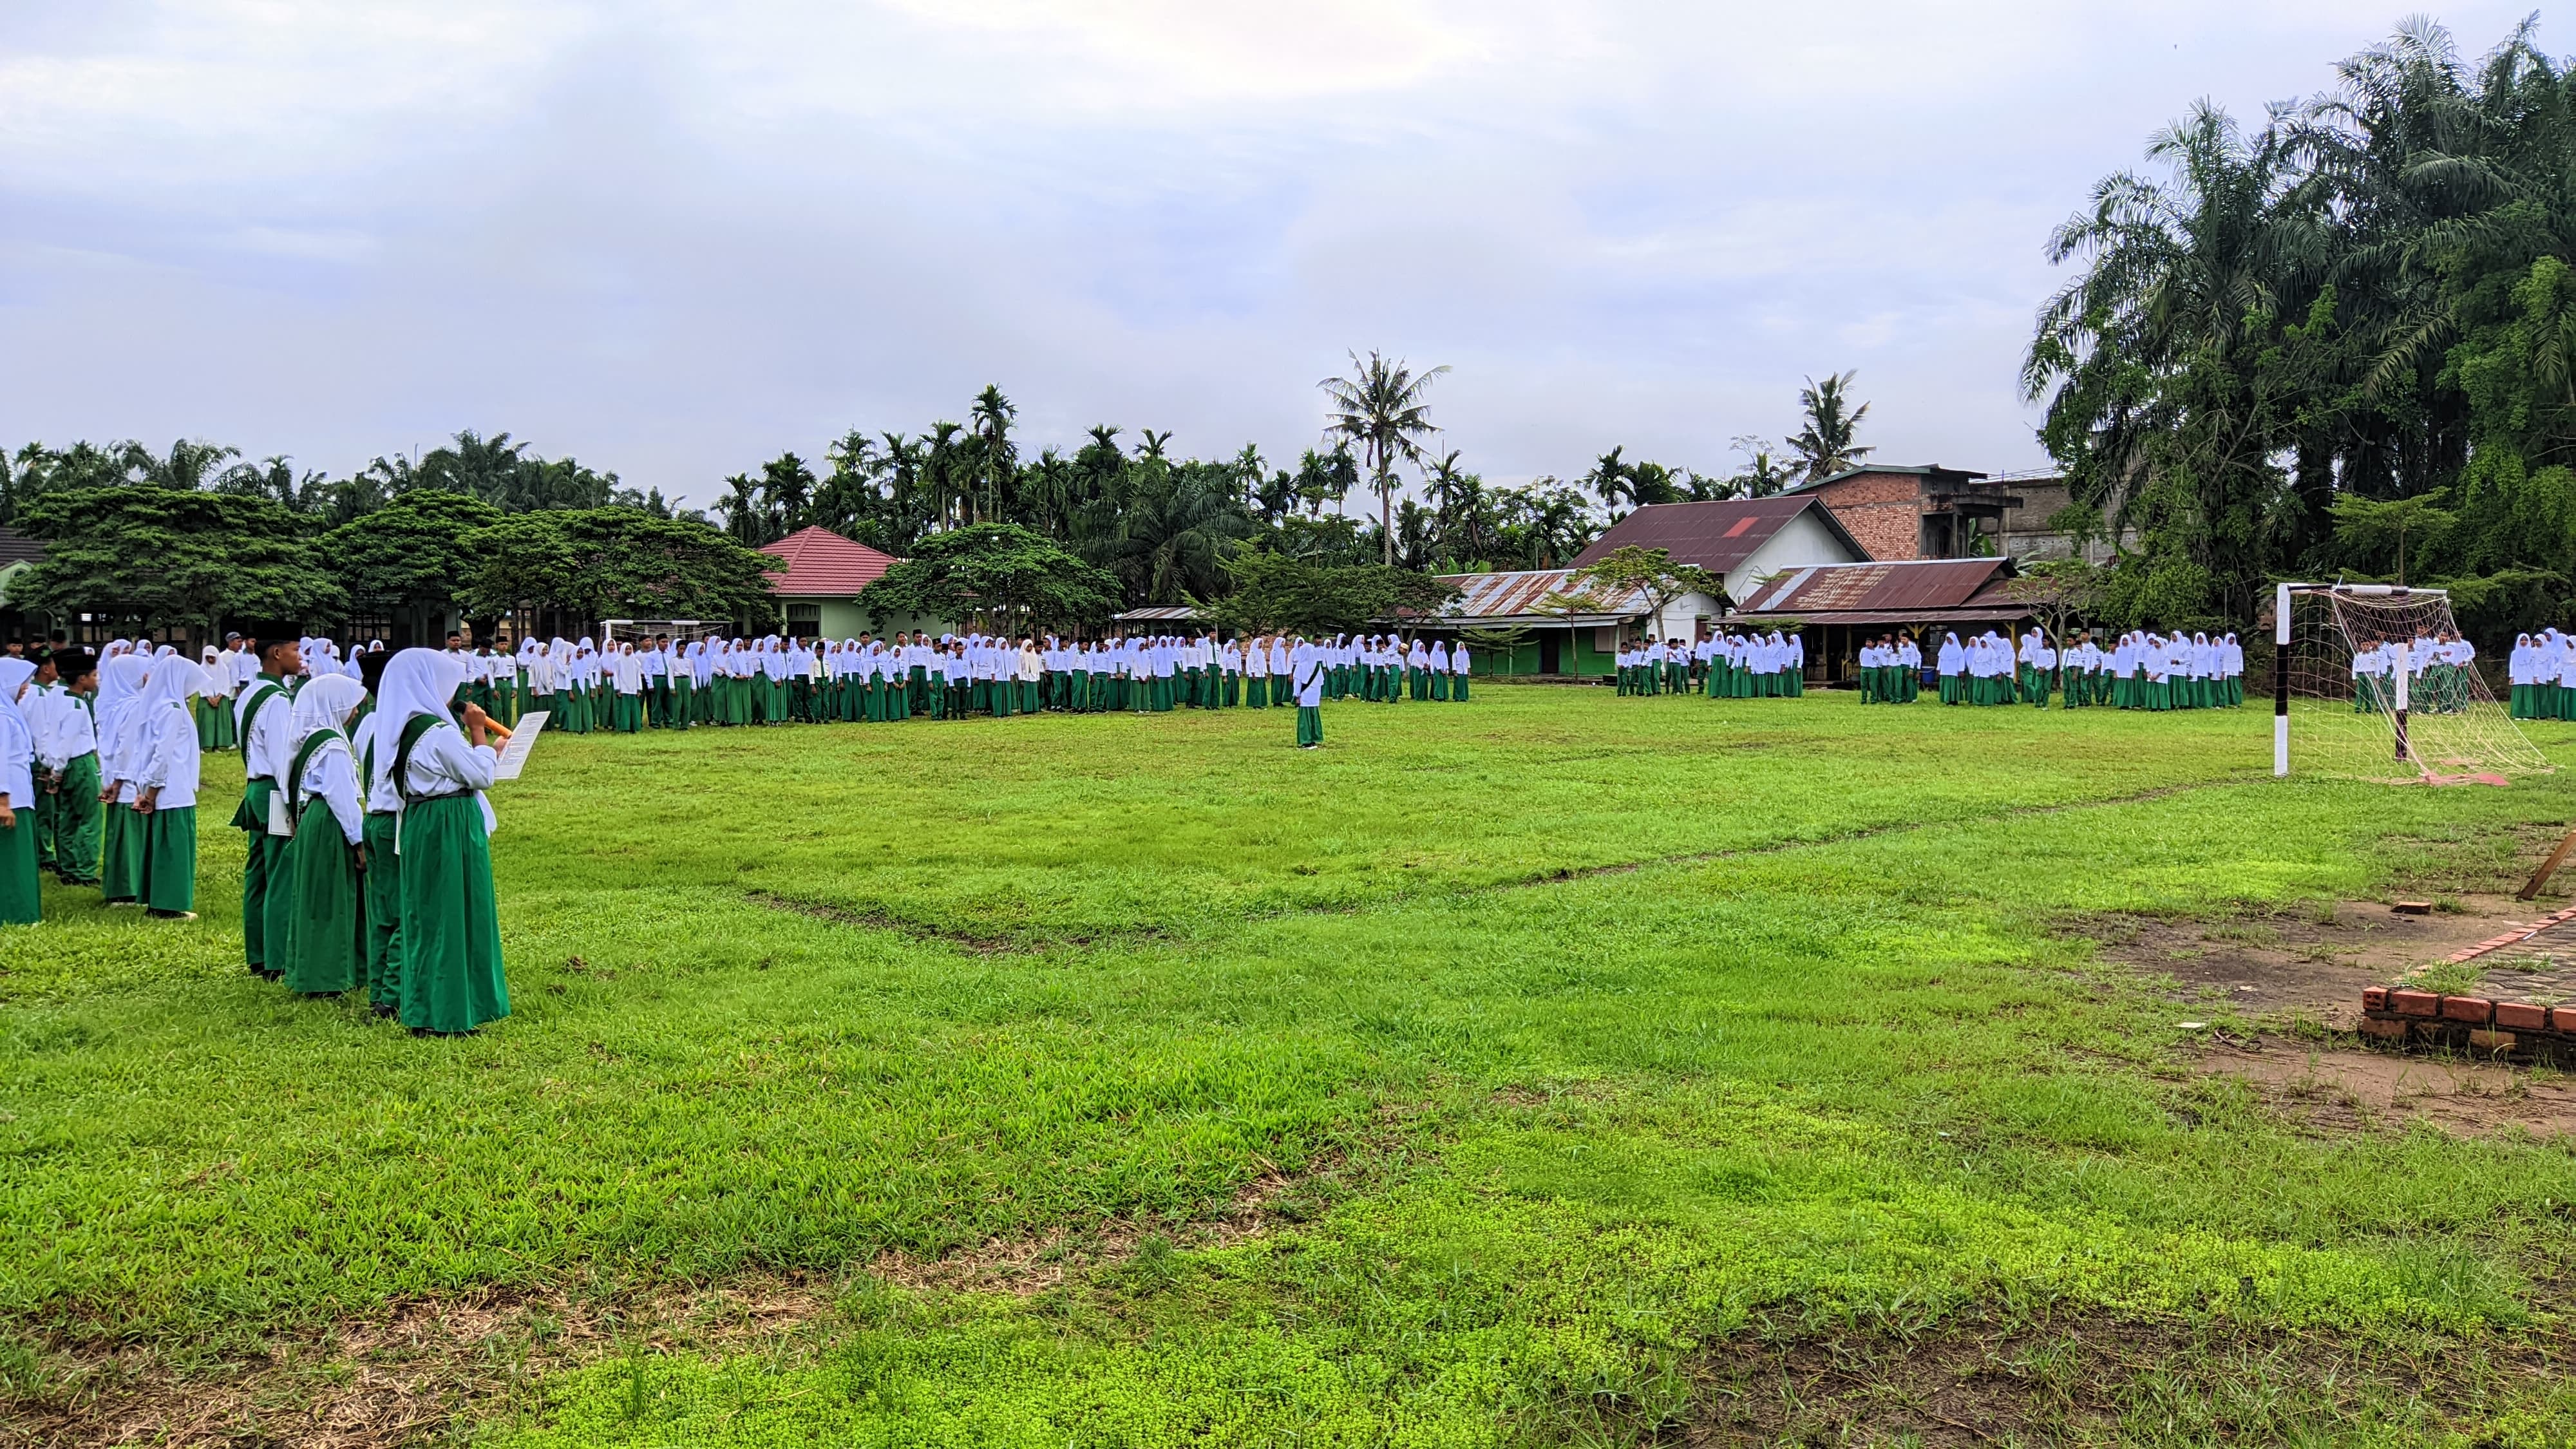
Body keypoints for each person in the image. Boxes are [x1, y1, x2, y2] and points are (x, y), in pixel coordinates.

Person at [376, 649, 510, 1036]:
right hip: (448, 823)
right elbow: (480, 777)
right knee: (453, 915)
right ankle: (448, 1013)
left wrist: (481, 751)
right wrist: (480, 732)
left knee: (429, 916)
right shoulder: (437, 733)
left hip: (424, 821)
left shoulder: (405, 730)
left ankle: (427, 1008)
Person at [278, 674, 368, 994]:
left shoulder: (308, 736)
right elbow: (342, 798)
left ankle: (313, 970)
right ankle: (330, 975)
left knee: (315, 896)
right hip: (331, 822)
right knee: (332, 897)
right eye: (351, 706)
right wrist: (359, 843)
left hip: (313, 817)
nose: (355, 712)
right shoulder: (332, 746)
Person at [232, 638, 303, 977]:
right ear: (277, 654)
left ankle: (258, 953)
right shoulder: (277, 700)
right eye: (295, 651)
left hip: (255, 788)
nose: (300, 657)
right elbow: (282, 758)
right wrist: (295, 804)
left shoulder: (249, 692)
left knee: (258, 873)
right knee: (280, 872)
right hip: (276, 790)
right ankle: (278, 959)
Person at [129, 654, 208, 919]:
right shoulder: (173, 710)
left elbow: (145, 751)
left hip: (163, 786)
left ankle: (157, 900)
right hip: (173, 788)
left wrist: (144, 788)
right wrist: (151, 791)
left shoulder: (157, 706)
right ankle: (168, 905)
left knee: (160, 846)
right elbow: (163, 754)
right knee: (173, 848)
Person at [35, 652, 100, 886]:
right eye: (94, 675)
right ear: (81, 678)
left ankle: (68, 867)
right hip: (80, 763)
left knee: (67, 818)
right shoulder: (76, 704)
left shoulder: (55, 697)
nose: (97, 680)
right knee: (88, 819)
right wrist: (58, 773)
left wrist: (49, 765)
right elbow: (67, 741)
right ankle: (83, 871)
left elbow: (46, 734)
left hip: (58, 762)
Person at [0, 659, 40, 925]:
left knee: (21, 857)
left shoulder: (9, 712)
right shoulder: (2, 717)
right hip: (11, 796)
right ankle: (16, 914)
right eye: (22, 681)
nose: (26, 687)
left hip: (20, 793)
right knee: (13, 860)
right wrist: (4, 801)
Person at [1292, 634, 1325, 748]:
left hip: (1305, 696)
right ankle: (1314, 739)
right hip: (1315, 696)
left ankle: (1306, 740)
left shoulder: (1301, 665)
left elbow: (1298, 682)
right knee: (1313, 717)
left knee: (1305, 719)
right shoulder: (1317, 666)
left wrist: (1297, 696)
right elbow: (1321, 682)